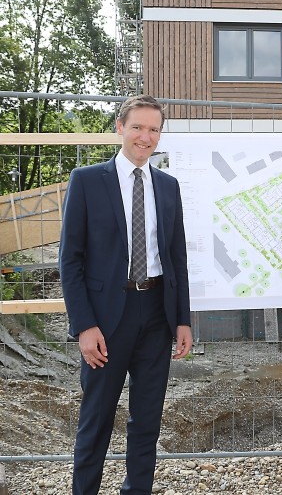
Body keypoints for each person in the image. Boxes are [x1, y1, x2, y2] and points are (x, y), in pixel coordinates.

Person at [60, 94, 193, 494]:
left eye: (154, 129)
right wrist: (84, 325)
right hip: (105, 319)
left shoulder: (168, 186)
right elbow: (71, 261)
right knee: (97, 417)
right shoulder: (86, 181)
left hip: (156, 313)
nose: (145, 136)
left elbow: (176, 257)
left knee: (147, 420)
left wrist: (183, 319)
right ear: (120, 127)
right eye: (137, 127)